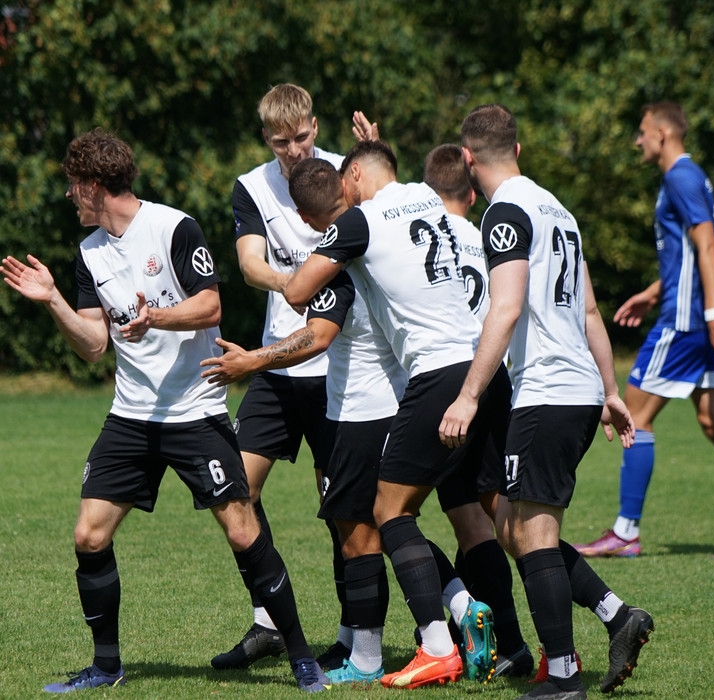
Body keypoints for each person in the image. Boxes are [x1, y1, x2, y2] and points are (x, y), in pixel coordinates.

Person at [2, 129, 329, 693]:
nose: (70, 196)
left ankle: (301, 656)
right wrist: (53, 299)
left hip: (194, 409)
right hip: (131, 415)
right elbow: (94, 344)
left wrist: (156, 318)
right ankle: (107, 667)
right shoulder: (89, 253)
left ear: (94, 185)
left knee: (242, 530)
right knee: (89, 535)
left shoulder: (174, 227)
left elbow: (210, 305)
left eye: (73, 186)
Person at [439, 103, 653, 700]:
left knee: (530, 536)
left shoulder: (504, 212)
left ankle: (562, 676)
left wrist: (468, 395)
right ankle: (616, 615)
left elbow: (506, 307)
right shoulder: (558, 210)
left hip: (548, 393)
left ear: (467, 158)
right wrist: (608, 390)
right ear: (518, 149)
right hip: (576, 390)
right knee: (512, 526)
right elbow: (590, 310)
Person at [284, 140, 510, 689]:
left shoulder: (359, 222)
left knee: (386, 514)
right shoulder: (427, 197)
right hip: (481, 364)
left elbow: (296, 291)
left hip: (428, 376)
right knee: (473, 514)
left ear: (355, 175)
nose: (344, 192)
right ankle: (489, 625)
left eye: (346, 181)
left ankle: (436, 644)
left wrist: (331, 253)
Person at [212, 83, 374, 671]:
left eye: (302, 137)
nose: (294, 150)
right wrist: (298, 283)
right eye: (281, 142)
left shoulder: (343, 171)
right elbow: (249, 264)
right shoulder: (253, 187)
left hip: (340, 367)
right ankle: (268, 621)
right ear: (266, 138)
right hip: (278, 363)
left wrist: (373, 155)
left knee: (342, 510)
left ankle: (352, 634)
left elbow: (382, 225)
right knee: (236, 490)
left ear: (314, 126)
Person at [575, 101, 714, 560]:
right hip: (701, 315)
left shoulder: (679, 178)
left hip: (687, 322)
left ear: (662, 133)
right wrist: (653, 292)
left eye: (642, 132)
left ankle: (625, 532)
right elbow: (689, 255)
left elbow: (708, 245)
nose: (637, 140)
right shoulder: (691, 177)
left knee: (634, 414)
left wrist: (710, 315)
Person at [423, 143, 534, 678]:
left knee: (464, 521)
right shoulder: (483, 234)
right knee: (502, 519)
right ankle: (514, 639)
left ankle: (499, 634)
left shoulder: (420, 235)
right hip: (496, 380)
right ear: (470, 192)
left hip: (451, 386)